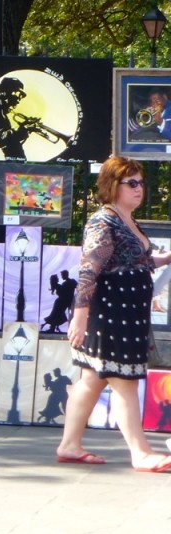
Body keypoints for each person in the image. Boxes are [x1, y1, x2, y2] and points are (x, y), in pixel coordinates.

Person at [56, 156, 171, 471]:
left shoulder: (127, 220)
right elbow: (88, 271)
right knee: (123, 379)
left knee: (92, 378)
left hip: (126, 312)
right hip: (109, 313)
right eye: (131, 183)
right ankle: (140, 451)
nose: (139, 189)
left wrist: (165, 258)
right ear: (112, 185)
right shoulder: (103, 221)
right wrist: (79, 317)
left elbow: (135, 262)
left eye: (141, 183)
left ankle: (69, 444)